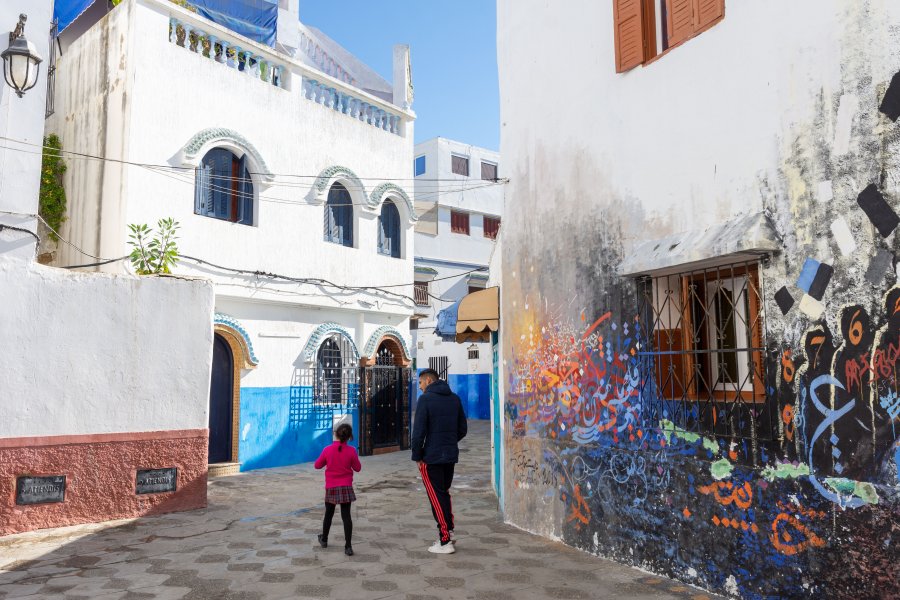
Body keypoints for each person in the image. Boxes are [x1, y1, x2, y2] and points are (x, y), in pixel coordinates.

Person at [410, 368, 468, 554]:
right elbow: (462, 429)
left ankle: (445, 541)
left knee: (436, 497)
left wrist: (418, 456)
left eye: (420, 383)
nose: (419, 387)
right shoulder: (454, 398)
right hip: (449, 455)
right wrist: (448, 443)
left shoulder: (425, 400)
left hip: (431, 457)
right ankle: (449, 532)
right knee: (443, 493)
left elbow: (418, 432)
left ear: (428, 380)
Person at [314, 423, 361, 556]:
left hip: (331, 487)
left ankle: (324, 539)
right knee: (346, 517)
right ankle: (348, 547)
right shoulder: (351, 451)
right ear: (349, 436)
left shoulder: (327, 450)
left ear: (335, 434)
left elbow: (317, 465)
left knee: (328, 514)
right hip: (346, 487)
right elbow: (358, 468)